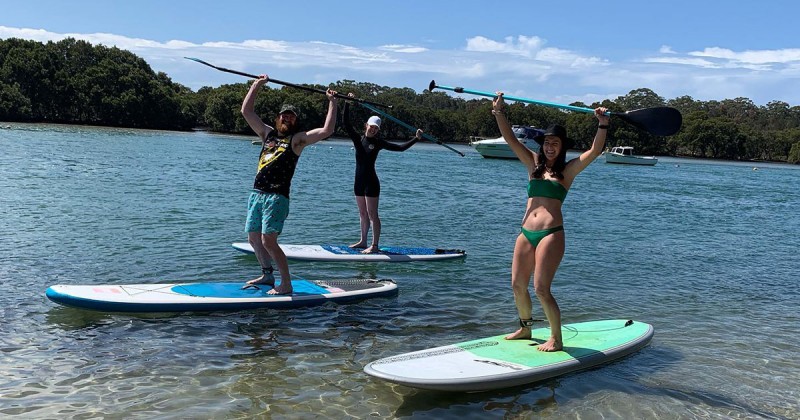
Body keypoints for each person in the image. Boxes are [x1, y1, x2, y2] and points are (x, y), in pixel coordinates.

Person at [492, 92, 609, 352]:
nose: (549, 147)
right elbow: (510, 139)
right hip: (525, 233)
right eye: (546, 143)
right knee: (517, 285)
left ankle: (556, 338)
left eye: (555, 143)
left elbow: (595, 151)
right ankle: (525, 327)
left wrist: (602, 123)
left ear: (561, 145)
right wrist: (499, 112)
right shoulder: (532, 164)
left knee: (541, 288)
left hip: (550, 234)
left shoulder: (568, 171)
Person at [241, 75, 338, 294]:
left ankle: (286, 284)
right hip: (257, 194)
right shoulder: (267, 134)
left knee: (269, 241)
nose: (287, 118)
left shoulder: (297, 139)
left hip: (277, 196)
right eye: (284, 115)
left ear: (296, 121)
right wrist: (257, 85)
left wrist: (332, 102)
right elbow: (246, 112)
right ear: (278, 118)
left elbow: (326, 131)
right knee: (253, 238)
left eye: (291, 116)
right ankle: (267, 275)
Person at [342, 95, 422, 254]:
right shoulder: (358, 139)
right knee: (362, 213)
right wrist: (347, 103)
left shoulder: (378, 143)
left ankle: (375, 245)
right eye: (371, 126)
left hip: (371, 183)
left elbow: (400, 148)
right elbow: (346, 123)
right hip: (358, 182)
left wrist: (416, 138)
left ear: (378, 130)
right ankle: (363, 241)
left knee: (373, 215)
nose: (373, 129)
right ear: (366, 125)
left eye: (376, 128)